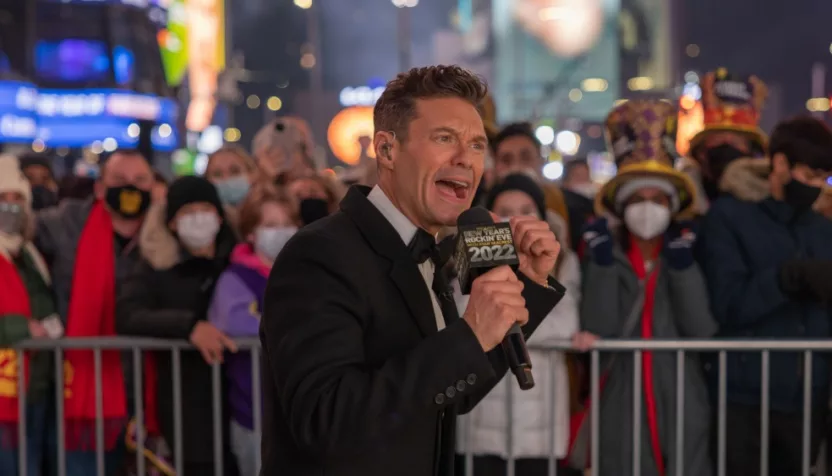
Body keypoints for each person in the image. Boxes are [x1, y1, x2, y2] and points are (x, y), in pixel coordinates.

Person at [260, 65, 565, 476]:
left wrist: (528, 283)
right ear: (386, 150)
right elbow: (324, 420)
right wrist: (470, 334)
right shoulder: (319, 254)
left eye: (477, 145)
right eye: (444, 139)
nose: (465, 159)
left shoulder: (431, 251)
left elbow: (451, 394)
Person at [579, 100, 716, 476]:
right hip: (621, 393)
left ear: (672, 206)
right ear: (621, 207)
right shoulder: (603, 254)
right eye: (638, 199)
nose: (647, 208)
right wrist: (603, 266)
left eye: (657, 200)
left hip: (681, 391)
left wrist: (683, 269)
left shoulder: (689, 251)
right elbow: (599, 325)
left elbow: (701, 329)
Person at [697, 116, 832, 475]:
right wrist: (787, 279)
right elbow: (728, 304)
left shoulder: (822, 229)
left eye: (823, 178)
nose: (816, 186)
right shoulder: (729, 217)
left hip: (808, 395)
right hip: (744, 395)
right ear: (780, 163)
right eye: (808, 175)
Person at [455, 173, 593, 476]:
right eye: (505, 210)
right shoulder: (467, 259)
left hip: (541, 428)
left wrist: (505, 312)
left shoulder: (561, 260)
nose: (515, 220)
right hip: (480, 426)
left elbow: (565, 324)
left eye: (526, 210)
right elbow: (464, 317)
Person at [35, 148, 156, 476]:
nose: (130, 188)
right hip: (81, 396)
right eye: (119, 180)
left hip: (148, 392)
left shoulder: (167, 232)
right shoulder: (66, 222)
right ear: (100, 187)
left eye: (139, 180)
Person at [116, 175, 240, 476]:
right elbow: (129, 314)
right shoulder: (156, 266)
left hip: (242, 403)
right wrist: (189, 327)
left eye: (205, 209)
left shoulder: (239, 262)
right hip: (186, 407)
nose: (198, 219)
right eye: (187, 212)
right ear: (171, 222)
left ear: (220, 217)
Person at [208, 185, 298, 476]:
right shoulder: (237, 278)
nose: (281, 232)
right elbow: (233, 323)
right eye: (270, 225)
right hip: (255, 414)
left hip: (300, 412)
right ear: (251, 232)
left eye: (287, 224)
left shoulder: (306, 273)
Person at [0, 155, 58, 476]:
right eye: (2, 199)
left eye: (17, 199)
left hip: (34, 388)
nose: (10, 207)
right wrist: (20, 328)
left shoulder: (30, 254)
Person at [677, 68, 768, 215]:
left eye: (736, 139)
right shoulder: (681, 202)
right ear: (701, 151)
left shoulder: (768, 204)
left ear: (752, 150)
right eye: (718, 137)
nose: (726, 143)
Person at [490, 122, 570, 222]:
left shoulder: (563, 204)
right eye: (506, 160)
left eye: (526, 158)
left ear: (540, 161)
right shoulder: (477, 208)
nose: (516, 168)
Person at [561, 158, 595, 252]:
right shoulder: (564, 207)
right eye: (578, 177)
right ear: (566, 182)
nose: (583, 181)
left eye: (586, 177)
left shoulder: (595, 206)